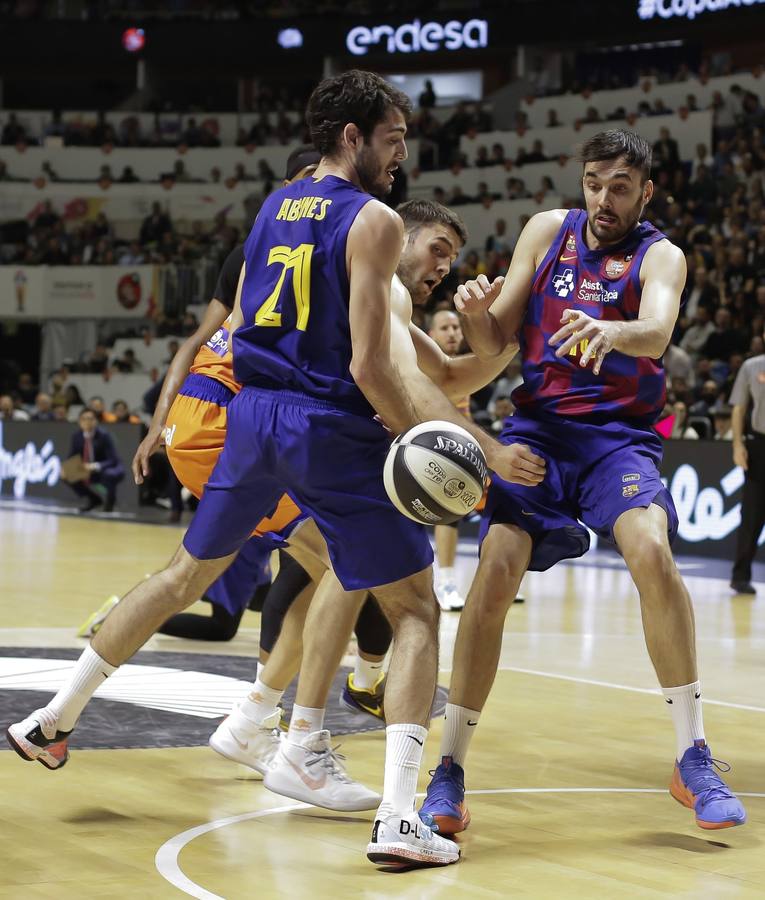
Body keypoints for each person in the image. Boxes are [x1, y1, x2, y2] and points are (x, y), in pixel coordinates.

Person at [8, 72, 539, 870]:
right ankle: (399, 818)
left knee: (182, 574)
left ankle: (52, 720)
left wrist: (459, 384)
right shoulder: (373, 221)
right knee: (418, 611)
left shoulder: (273, 203)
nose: (400, 157)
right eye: (392, 139)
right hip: (327, 424)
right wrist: (434, 440)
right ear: (353, 138)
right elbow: (369, 365)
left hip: (253, 418)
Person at [420, 129, 746, 836]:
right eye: (593, 182)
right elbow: (496, 346)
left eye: (619, 186)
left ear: (645, 191)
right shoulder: (546, 232)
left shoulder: (661, 254)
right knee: (492, 577)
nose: (602, 198)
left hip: (618, 442)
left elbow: (657, 330)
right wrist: (478, 315)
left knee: (652, 553)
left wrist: (612, 330)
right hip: (536, 434)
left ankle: (691, 754)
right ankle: (448, 770)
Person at [729, 336, 765, 594]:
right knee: (751, 515)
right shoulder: (752, 366)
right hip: (759, 445)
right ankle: (740, 576)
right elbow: (739, 409)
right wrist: (737, 445)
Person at [63, 408, 125, 512]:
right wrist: (67, 468)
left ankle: (110, 504)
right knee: (66, 474)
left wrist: (94, 466)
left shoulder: (104, 436)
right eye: (84, 419)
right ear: (79, 421)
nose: (87, 421)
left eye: (90, 419)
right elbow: (71, 456)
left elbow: (113, 460)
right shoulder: (77, 437)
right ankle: (94, 499)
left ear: (96, 421)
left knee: (109, 474)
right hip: (86, 469)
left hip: (106, 468)